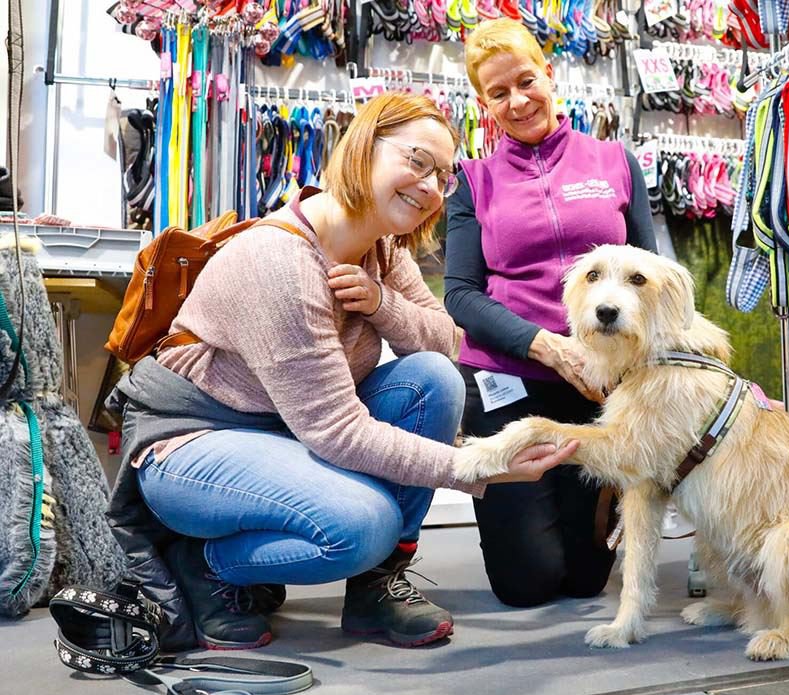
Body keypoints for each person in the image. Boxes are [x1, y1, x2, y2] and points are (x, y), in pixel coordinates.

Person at [106, 92, 578, 652]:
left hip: (281, 429)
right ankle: (204, 563)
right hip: (191, 442)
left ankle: (376, 588)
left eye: (444, 175)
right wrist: (483, 466)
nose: (430, 185)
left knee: (431, 378)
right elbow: (336, 431)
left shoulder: (378, 249)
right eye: (416, 160)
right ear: (361, 150)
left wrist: (381, 304)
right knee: (363, 525)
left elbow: (449, 340)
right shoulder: (281, 263)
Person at [444, 19, 659, 607]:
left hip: (601, 390)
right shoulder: (472, 181)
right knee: (529, 585)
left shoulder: (615, 161)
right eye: (497, 92)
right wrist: (550, 346)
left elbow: (651, 274)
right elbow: (460, 294)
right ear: (482, 103)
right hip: (509, 385)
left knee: (587, 580)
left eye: (525, 81)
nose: (517, 101)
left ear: (549, 75)